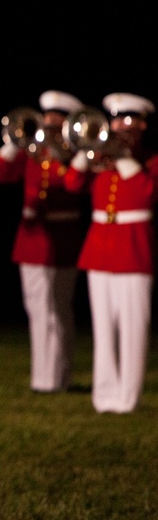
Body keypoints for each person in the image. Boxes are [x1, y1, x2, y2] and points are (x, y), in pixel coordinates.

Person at [63, 92, 156, 414]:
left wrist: (122, 156)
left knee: (133, 328)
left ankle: (128, 397)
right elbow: (72, 183)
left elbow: (147, 192)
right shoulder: (100, 159)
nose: (116, 126)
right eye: (113, 120)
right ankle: (104, 395)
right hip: (100, 247)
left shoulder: (149, 160)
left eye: (124, 121)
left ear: (141, 126)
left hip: (133, 249)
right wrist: (85, 152)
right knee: (104, 329)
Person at [0, 90, 86, 393]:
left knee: (59, 309)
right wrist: (12, 143)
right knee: (36, 308)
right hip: (31, 238)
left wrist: (60, 154)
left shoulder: (75, 151)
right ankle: (41, 377)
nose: (50, 123)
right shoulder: (33, 150)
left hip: (63, 235)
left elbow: (76, 187)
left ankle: (60, 375)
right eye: (48, 117)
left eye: (58, 118)